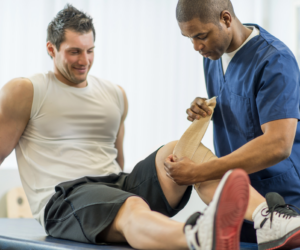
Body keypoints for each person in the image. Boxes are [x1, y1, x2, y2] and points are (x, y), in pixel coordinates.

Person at [0, 4, 298, 250]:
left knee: (178, 151)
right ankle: (197, 236)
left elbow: (117, 157)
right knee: (129, 207)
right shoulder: (26, 90)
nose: (84, 60)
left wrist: (198, 164)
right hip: (66, 196)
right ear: (51, 49)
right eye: (74, 52)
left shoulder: (114, 94)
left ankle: (266, 217)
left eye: (89, 50)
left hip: (114, 184)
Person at [164, 0, 300, 246]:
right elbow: (240, 107)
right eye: (189, 38)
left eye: (201, 36)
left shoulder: (275, 60)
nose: (196, 46)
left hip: (281, 200)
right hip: (237, 200)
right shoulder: (213, 56)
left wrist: (199, 172)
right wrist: (205, 108)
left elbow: (278, 144)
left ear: (226, 19)